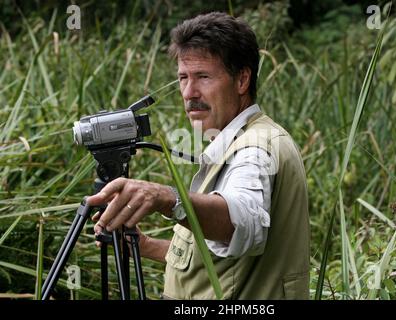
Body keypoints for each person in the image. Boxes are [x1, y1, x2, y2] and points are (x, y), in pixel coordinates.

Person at [87, 12, 309, 300]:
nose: (189, 92)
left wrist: (166, 198)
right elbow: (223, 261)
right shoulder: (235, 140)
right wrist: (145, 245)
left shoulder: (256, 148)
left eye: (203, 77)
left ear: (242, 80)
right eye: (183, 78)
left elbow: (243, 220)